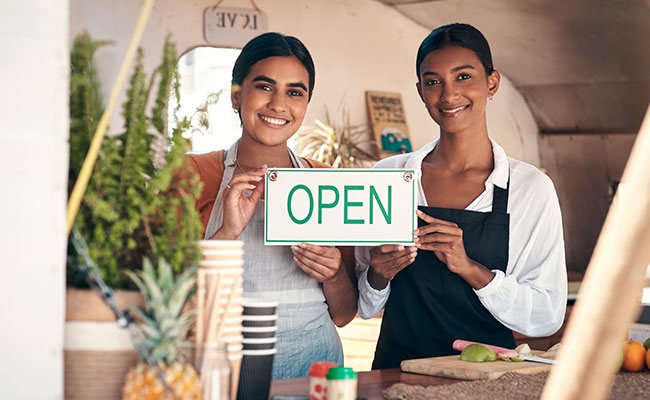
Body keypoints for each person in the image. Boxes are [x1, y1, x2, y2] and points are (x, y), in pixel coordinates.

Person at [355, 23, 567, 369]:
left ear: (492, 83)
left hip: (490, 378)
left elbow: (546, 315)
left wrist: (470, 268)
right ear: (421, 91)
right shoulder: (387, 175)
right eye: (433, 81)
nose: (448, 94)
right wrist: (379, 274)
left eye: (464, 77)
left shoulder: (529, 188)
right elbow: (364, 306)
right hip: (396, 373)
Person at [187, 32, 358, 379]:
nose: (279, 104)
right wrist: (228, 231)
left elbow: (344, 314)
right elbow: (174, 296)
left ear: (306, 104)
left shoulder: (327, 181)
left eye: (295, 92)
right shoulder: (193, 174)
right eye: (265, 87)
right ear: (237, 96)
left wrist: (334, 272)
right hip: (221, 365)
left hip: (315, 364)